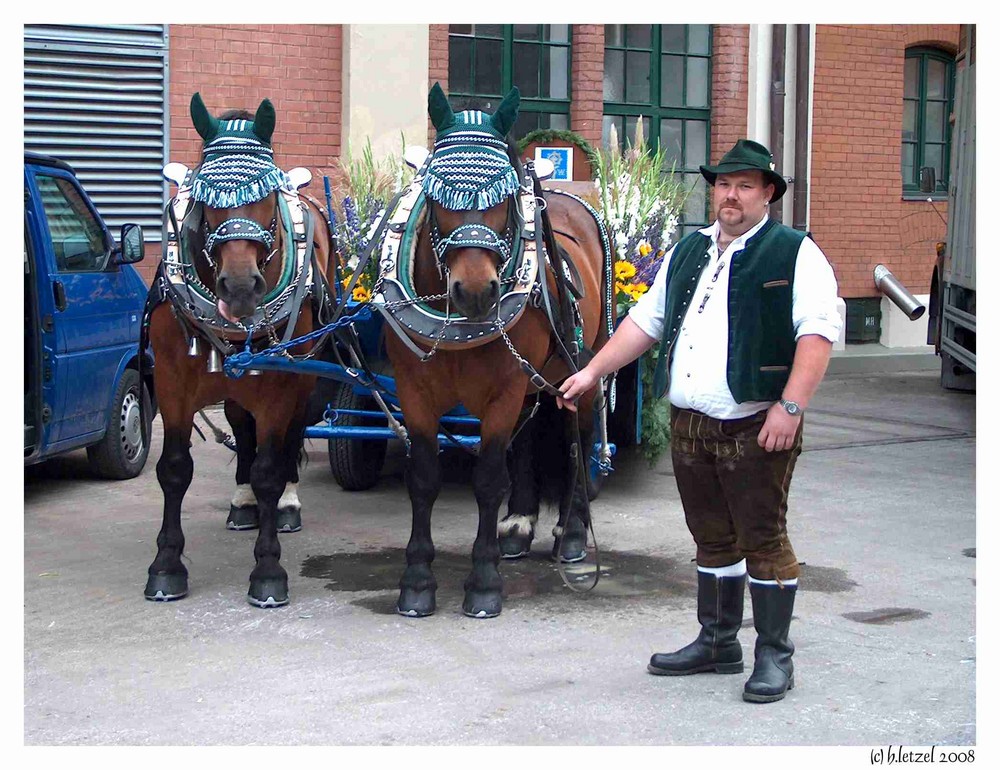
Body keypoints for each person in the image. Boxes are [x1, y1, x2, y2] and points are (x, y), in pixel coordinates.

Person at [559, 139, 841, 703]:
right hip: (692, 423)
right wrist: (593, 371)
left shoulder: (794, 252)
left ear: (767, 194)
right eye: (722, 184)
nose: (730, 195)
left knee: (763, 538)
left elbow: (817, 333)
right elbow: (646, 321)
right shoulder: (690, 251)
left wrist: (790, 406)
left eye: (743, 185)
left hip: (756, 421)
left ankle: (773, 656)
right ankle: (717, 642)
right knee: (710, 537)